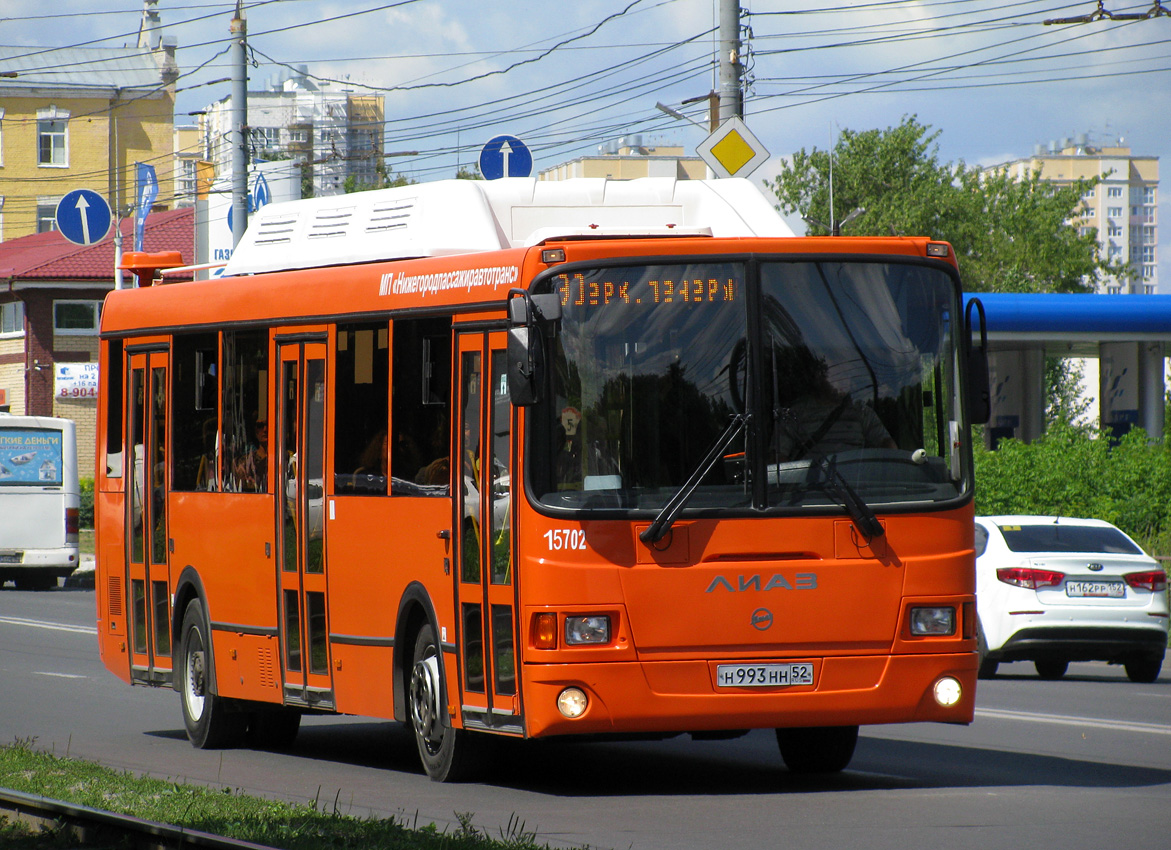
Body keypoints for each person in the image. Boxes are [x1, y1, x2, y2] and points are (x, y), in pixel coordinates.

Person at [772, 345, 895, 460]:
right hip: (810, 482)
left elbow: (889, 447)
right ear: (819, 376)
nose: (843, 380)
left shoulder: (862, 412)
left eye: (847, 374)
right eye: (837, 372)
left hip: (854, 482)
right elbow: (777, 460)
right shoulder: (795, 413)